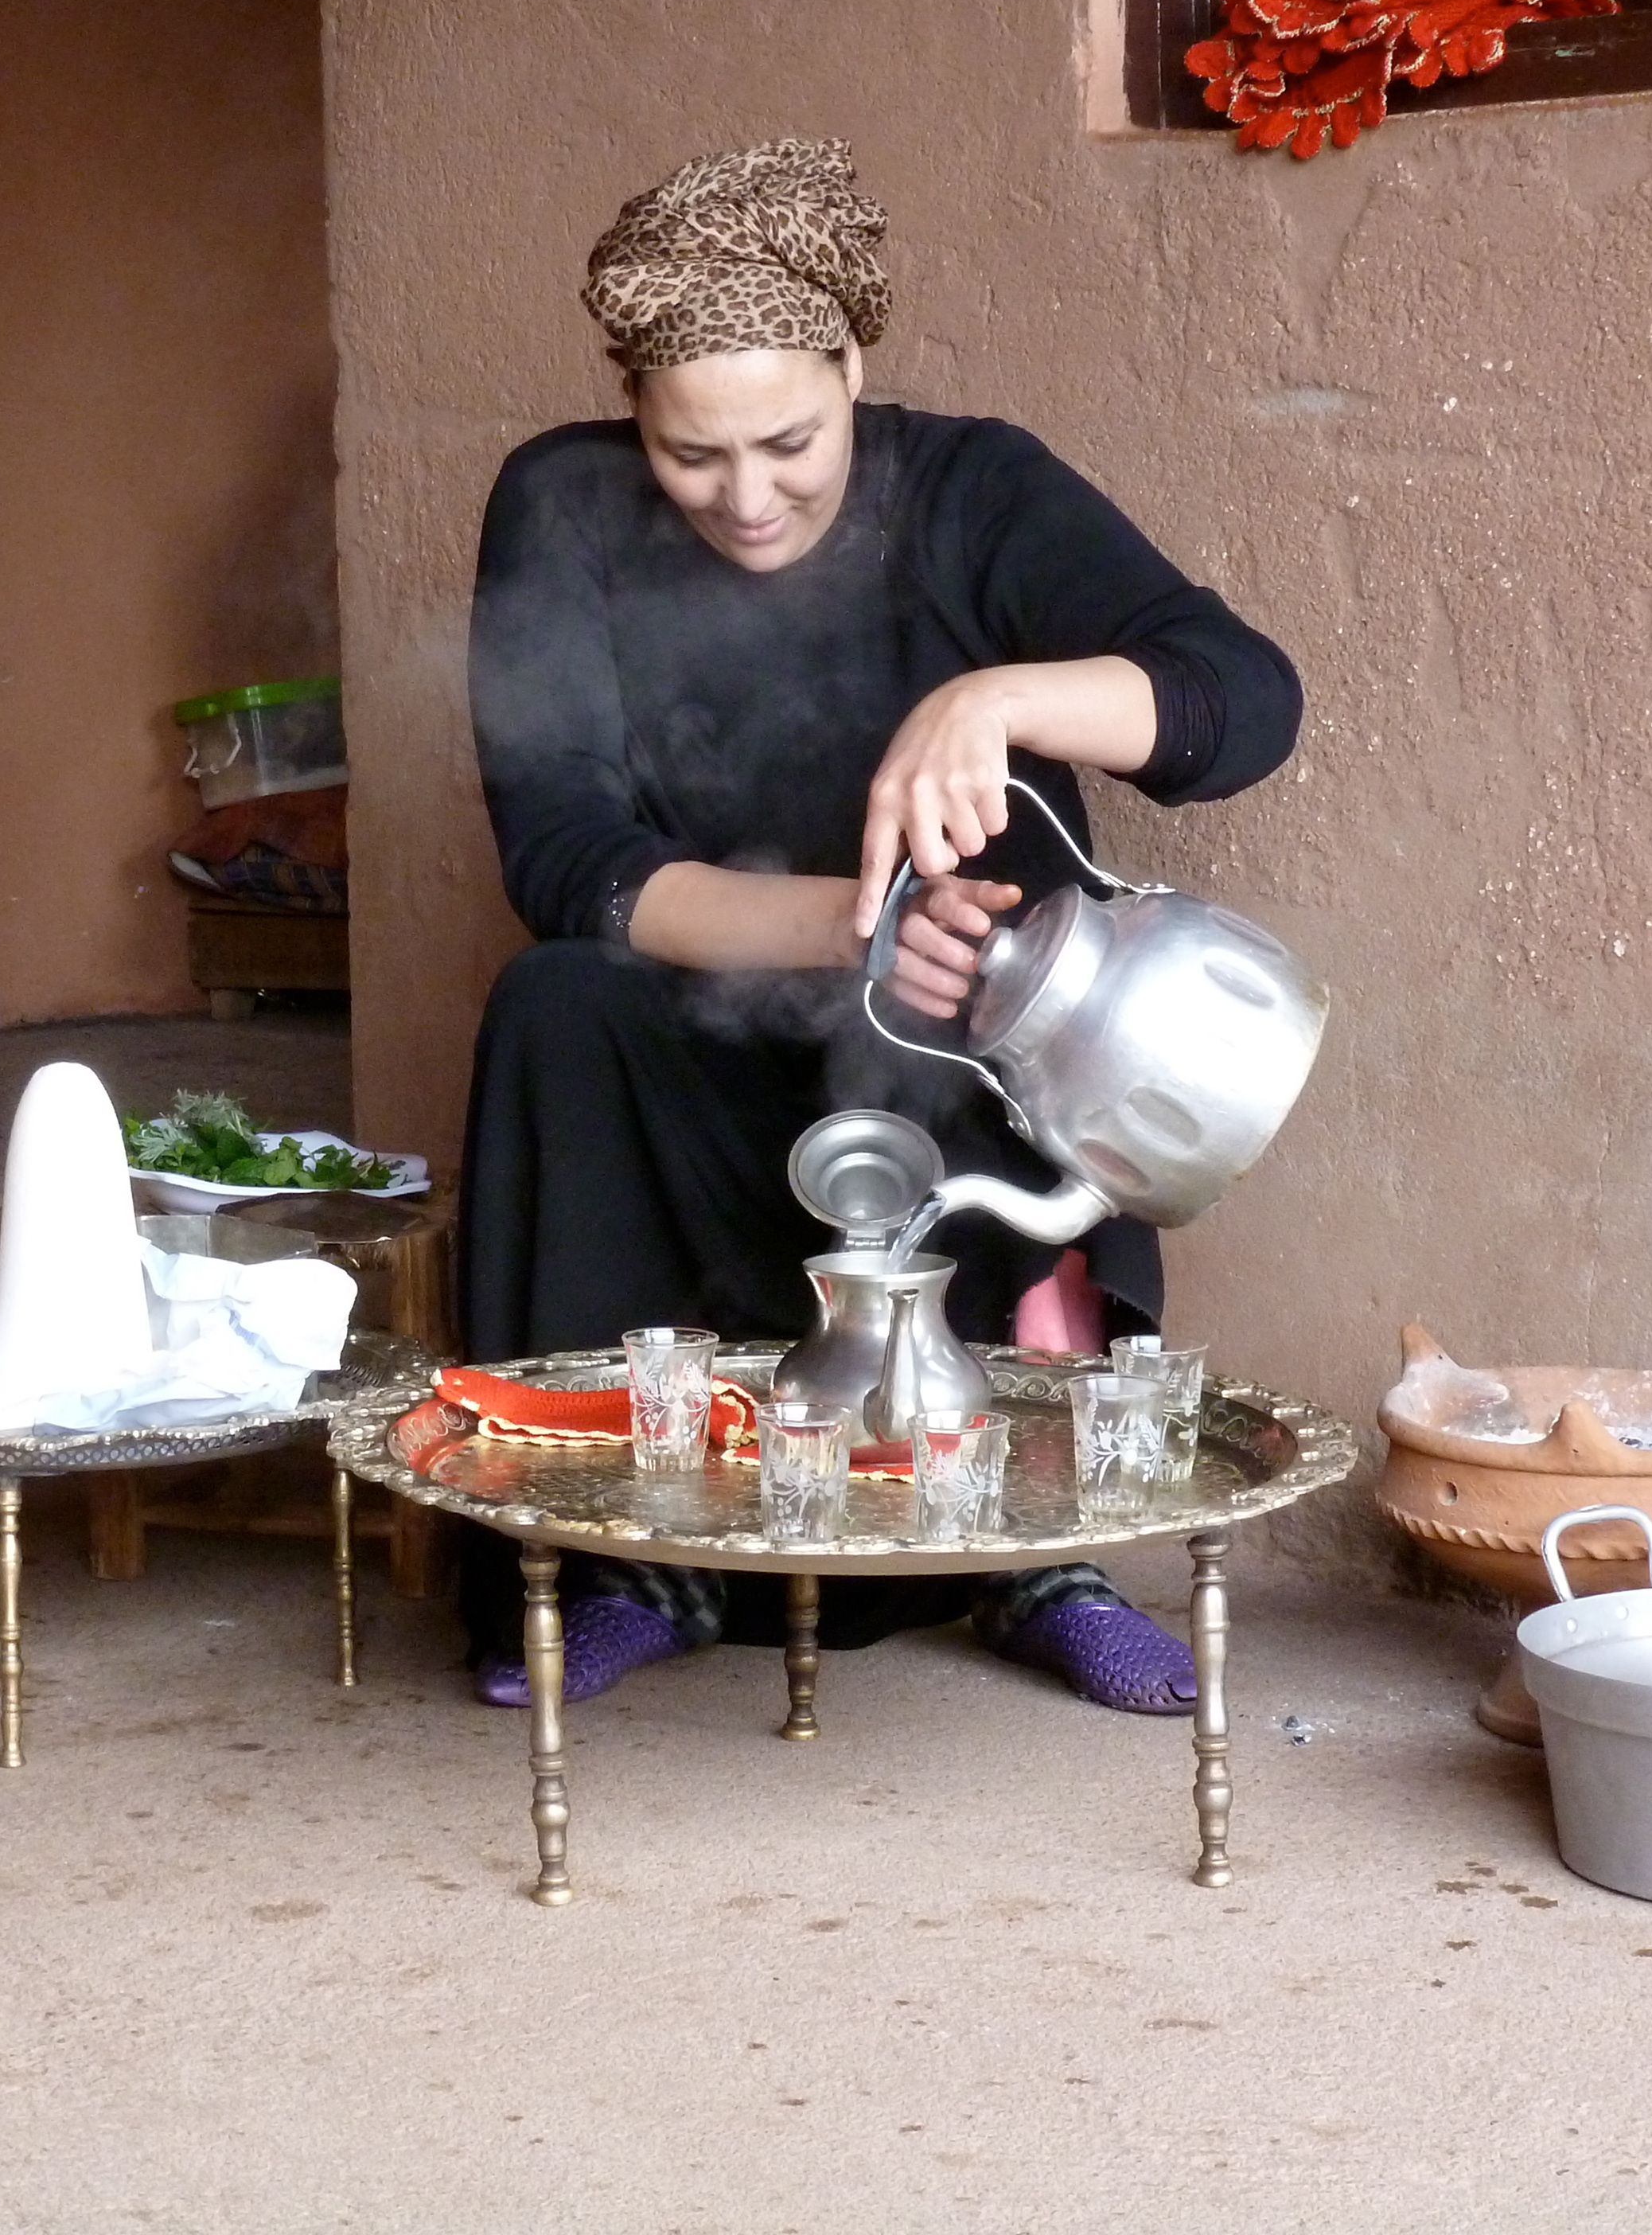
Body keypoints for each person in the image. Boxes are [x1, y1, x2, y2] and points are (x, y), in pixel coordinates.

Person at [455, 137, 1301, 1712]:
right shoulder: (560, 507)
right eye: (692, 455)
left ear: (855, 361)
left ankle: (1030, 1554)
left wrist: (998, 695)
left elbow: (1242, 700)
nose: (748, 499)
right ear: (631, 404)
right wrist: (856, 932)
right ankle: (610, 1558)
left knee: (1003, 1018)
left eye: (789, 441)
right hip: (713, 1039)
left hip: (968, 1057)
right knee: (556, 998)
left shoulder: (975, 492)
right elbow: (566, 853)